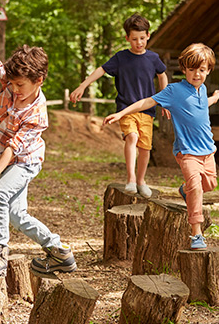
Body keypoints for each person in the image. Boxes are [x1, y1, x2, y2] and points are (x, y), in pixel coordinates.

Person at [0, 22, 76, 278]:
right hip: (11, 158)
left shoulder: (36, 112)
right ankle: (60, 251)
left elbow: (14, 148)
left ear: (39, 80)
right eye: (12, 84)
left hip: (25, 160)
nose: (14, 90)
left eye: (20, 86)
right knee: (16, 215)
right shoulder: (12, 82)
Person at [104, 43, 219, 250]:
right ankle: (196, 233)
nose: (197, 74)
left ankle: (185, 190)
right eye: (192, 69)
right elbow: (146, 102)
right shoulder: (174, 90)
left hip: (208, 150)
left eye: (202, 70)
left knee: (209, 184)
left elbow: (203, 105)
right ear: (184, 69)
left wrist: (215, 97)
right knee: (196, 187)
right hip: (187, 152)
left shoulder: (202, 90)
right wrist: (122, 113)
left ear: (208, 70)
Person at [70, 13, 168, 198]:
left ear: (148, 35)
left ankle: (141, 181)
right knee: (132, 137)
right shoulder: (121, 58)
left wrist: (165, 100)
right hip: (125, 109)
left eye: (142, 38)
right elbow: (102, 69)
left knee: (145, 147)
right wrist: (83, 85)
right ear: (127, 38)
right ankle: (131, 179)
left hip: (147, 110)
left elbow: (162, 75)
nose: (138, 42)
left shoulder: (153, 58)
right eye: (134, 39)